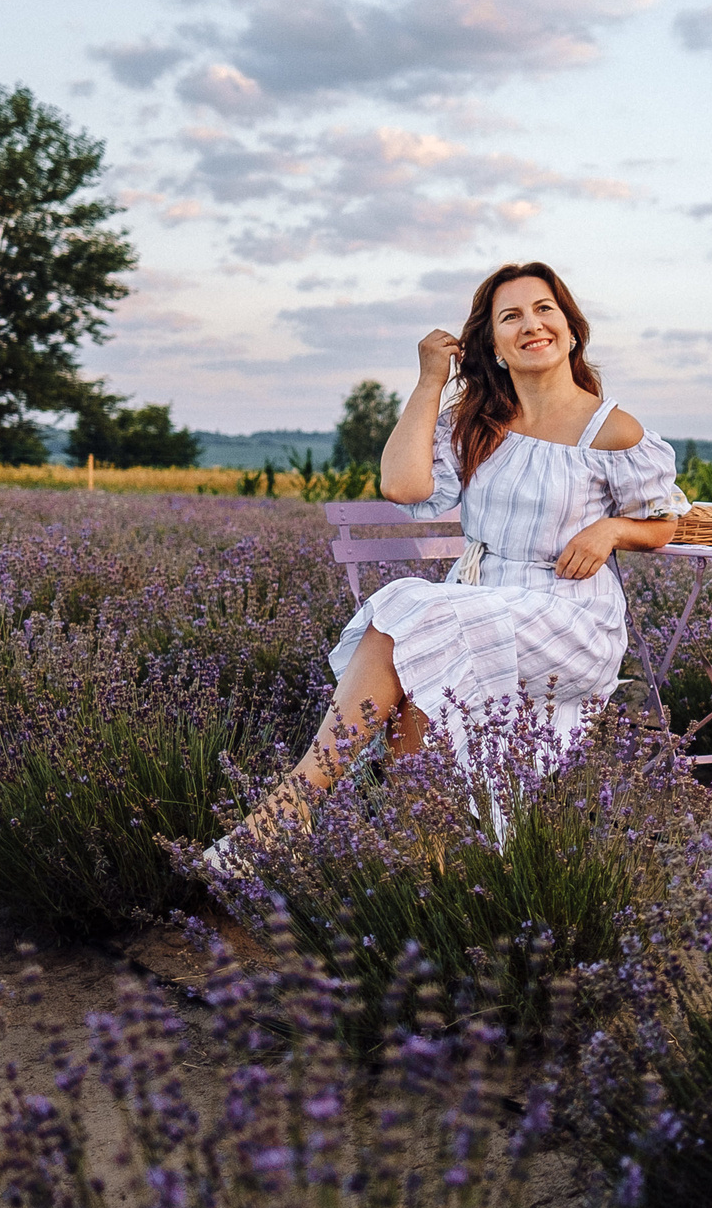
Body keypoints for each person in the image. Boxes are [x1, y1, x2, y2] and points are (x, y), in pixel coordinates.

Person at [203, 261, 684, 874]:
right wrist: (431, 380)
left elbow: (663, 521)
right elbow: (402, 485)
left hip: (568, 613)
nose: (531, 325)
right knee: (424, 632)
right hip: (479, 596)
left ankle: (290, 813)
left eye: (544, 309)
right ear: (493, 344)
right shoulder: (479, 421)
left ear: (569, 327)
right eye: (511, 316)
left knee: (415, 610)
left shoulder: (612, 428)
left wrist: (612, 527)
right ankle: (415, 849)